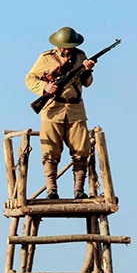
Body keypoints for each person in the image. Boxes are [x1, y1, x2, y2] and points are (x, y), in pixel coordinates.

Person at [25, 26, 98, 200]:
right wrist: (45, 87)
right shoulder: (46, 58)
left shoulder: (80, 56)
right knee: (50, 152)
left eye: (69, 46)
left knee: (81, 151)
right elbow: (29, 78)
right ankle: (52, 190)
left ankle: (79, 191)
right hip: (52, 109)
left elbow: (87, 83)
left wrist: (87, 69)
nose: (66, 49)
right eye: (64, 46)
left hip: (75, 110)